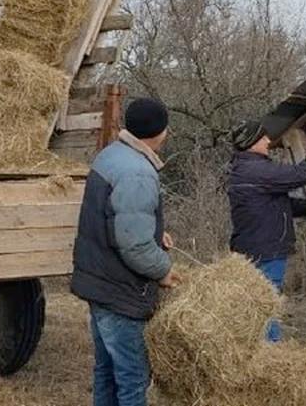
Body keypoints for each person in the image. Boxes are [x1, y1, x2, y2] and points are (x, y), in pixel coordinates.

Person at [71, 97, 181, 406]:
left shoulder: (111, 155)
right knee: (132, 378)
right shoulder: (138, 173)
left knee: (106, 371)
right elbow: (134, 245)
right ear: (158, 131)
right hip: (120, 292)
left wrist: (156, 233)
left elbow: (118, 218)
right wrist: (163, 270)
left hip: (99, 281)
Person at [227, 119, 306, 341]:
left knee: (259, 301)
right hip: (266, 249)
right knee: (268, 301)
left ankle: (264, 348)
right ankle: (270, 350)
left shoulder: (243, 170)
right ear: (252, 142)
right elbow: (301, 174)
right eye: (263, 137)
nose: (268, 141)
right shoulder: (256, 169)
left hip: (252, 244)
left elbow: (274, 205)